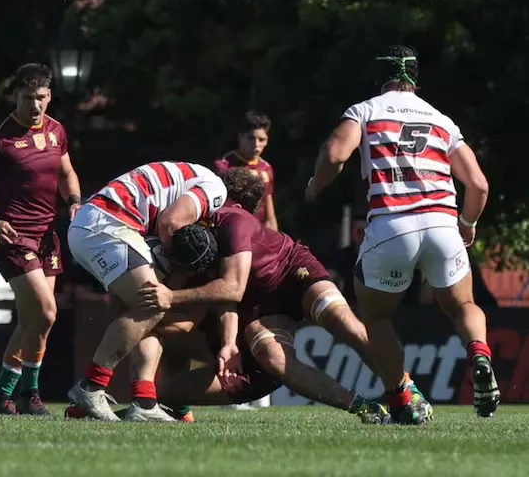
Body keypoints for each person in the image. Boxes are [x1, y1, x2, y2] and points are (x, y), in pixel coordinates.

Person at [305, 44, 500, 422]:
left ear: (380, 77)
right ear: (416, 76)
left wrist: (315, 186)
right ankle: (479, 352)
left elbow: (334, 156)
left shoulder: (365, 110)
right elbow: (479, 185)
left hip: (391, 226)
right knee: (462, 305)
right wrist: (467, 224)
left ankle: (399, 400)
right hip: (443, 224)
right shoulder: (442, 120)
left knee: (377, 318)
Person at [134, 168, 401, 423]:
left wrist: (169, 298)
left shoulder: (231, 218)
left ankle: (403, 390)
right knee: (268, 359)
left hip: (291, 272)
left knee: (342, 321)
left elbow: (229, 290)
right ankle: (366, 407)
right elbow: (223, 299)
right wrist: (225, 342)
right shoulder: (201, 242)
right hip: (257, 314)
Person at [66, 161, 227, 421]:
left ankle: (144, 401)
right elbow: (169, 223)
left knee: (146, 313)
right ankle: (91, 387)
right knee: (154, 303)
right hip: (108, 225)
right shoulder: (216, 190)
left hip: (100, 224)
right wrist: (177, 269)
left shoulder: (194, 176)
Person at [0, 63, 81, 416]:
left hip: (48, 237)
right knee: (46, 313)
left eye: (41, 98)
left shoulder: (57, 131)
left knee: (33, 321)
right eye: (28, 97)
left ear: (49, 97)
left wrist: (74, 202)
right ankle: (30, 394)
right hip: (13, 236)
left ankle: (2, 396)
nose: (35, 105)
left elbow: (67, 173)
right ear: (15, 96)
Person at [213, 110, 279, 230]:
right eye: (250, 138)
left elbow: (269, 213)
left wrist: (273, 238)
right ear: (241, 137)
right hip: (231, 229)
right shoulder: (224, 166)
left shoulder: (266, 169)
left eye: (261, 140)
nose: (256, 144)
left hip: (258, 233)